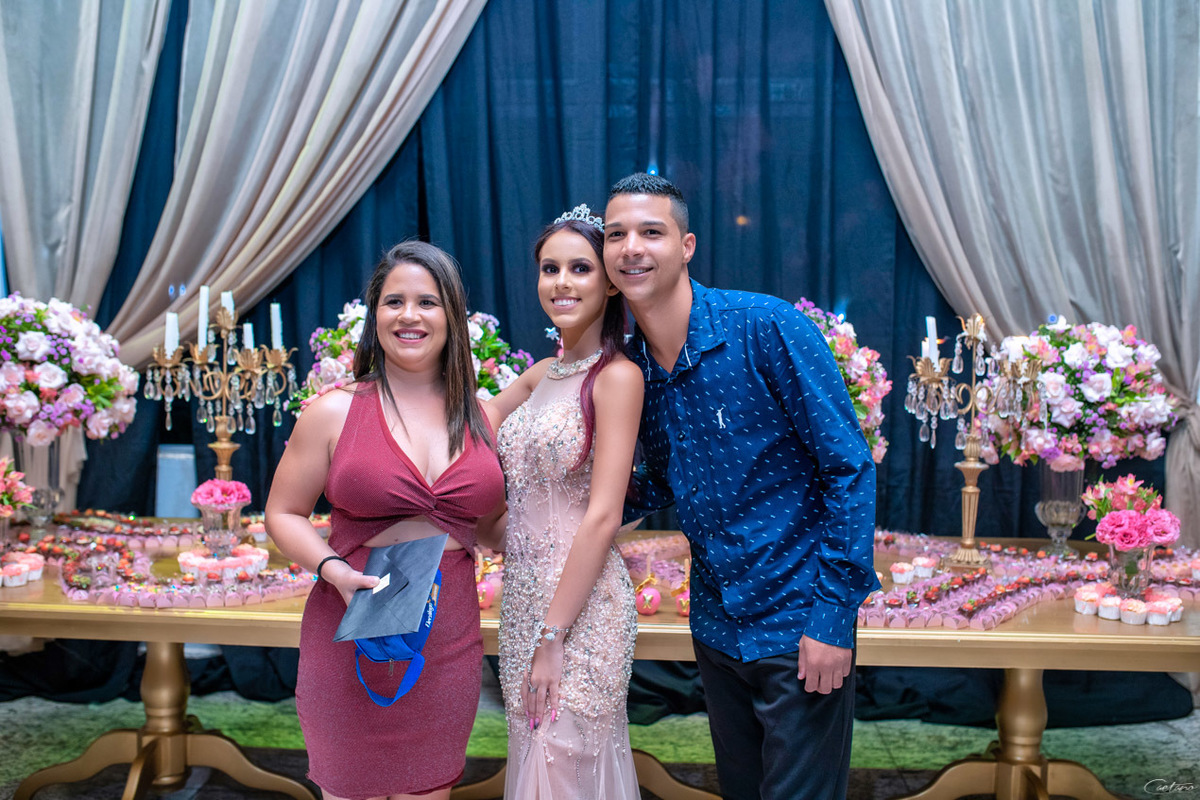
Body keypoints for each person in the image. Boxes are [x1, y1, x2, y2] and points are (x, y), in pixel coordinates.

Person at [603, 174, 879, 800]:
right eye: (616, 235)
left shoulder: (766, 328)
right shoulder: (633, 367)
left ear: (687, 246)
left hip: (798, 621)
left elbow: (849, 468)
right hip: (716, 626)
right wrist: (559, 508)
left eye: (651, 231)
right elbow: (659, 481)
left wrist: (833, 618)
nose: (631, 248)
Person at [265, 241, 506, 800]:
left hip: (446, 636)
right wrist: (332, 570)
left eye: (427, 302)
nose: (409, 315)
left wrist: (590, 517)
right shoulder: (333, 410)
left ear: (452, 315)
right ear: (374, 315)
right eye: (394, 301)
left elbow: (492, 529)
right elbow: (282, 512)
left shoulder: (482, 416)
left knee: (430, 789)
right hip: (348, 623)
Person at [480, 205, 643, 799]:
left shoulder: (617, 377)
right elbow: (471, 431)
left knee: (563, 764)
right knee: (534, 759)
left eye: (580, 268)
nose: (561, 282)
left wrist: (553, 637)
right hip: (522, 602)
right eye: (550, 269)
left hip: (582, 611)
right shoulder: (542, 373)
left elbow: (603, 516)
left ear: (609, 282)